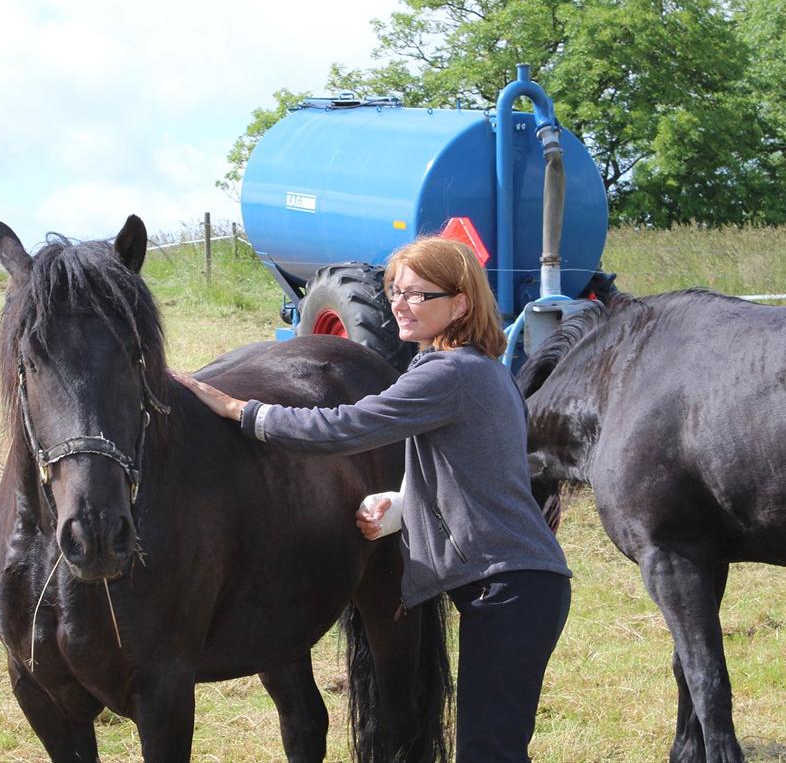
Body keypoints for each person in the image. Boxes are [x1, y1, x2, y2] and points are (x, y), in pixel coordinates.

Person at [173, 236, 571, 763]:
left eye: (417, 295)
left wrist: (242, 412)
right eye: (395, 292)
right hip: (520, 585)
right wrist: (402, 504)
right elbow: (483, 476)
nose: (400, 305)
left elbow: (344, 426)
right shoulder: (484, 370)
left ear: (460, 303)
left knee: (489, 752)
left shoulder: (446, 374)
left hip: (507, 589)